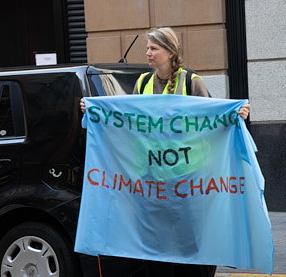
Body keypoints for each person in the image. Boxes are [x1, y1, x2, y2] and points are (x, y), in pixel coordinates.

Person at [80, 27, 250, 276]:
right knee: (155, 238)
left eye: (153, 48)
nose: (147, 53)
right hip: (153, 178)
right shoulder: (143, 82)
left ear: (170, 52)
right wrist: (95, 110)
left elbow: (212, 118)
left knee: (190, 239)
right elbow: (129, 120)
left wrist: (236, 115)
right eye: (148, 48)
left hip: (188, 178)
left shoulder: (191, 81)